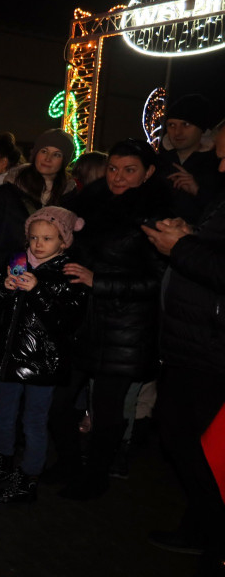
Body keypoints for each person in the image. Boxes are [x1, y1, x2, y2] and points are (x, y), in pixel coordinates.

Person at [55, 138, 169, 500]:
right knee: (59, 400)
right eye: (114, 168)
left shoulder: (158, 213)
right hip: (84, 318)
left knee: (107, 409)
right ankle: (71, 464)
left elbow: (159, 280)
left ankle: (96, 475)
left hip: (125, 327)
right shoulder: (91, 199)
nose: (118, 177)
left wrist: (99, 281)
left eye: (129, 170)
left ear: (148, 172)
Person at [141, 121, 225, 577]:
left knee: (209, 458)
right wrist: (190, 233)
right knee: (182, 441)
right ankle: (200, 530)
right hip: (192, 345)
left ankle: (217, 568)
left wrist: (184, 246)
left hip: (213, 352)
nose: (220, 162)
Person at [0, 207, 88, 504]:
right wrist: (4, 290)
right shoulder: (16, 263)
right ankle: (2, 464)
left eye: (47, 238)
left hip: (42, 364)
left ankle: (27, 478)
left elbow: (66, 322)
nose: (38, 244)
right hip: (9, 359)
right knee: (4, 413)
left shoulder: (70, 273)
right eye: (33, 237)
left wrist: (37, 291)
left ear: (63, 241)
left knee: (34, 421)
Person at [0, 128, 76, 274]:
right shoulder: (8, 192)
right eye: (44, 151)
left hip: (50, 278)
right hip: (10, 274)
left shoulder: (70, 197)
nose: (48, 158)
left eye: (57, 154)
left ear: (64, 161)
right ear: (35, 154)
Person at [155, 94, 221, 223]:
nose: (177, 132)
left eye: (185, 124)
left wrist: (198, 191)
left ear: (201, 128)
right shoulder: (157, 162)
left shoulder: (218, 166)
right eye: (171, 125)